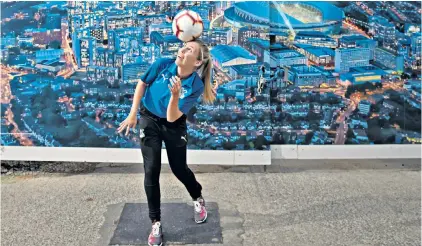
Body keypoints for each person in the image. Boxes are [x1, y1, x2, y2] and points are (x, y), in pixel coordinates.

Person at [117, 39, 216, 246]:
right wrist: (133, 114)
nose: (182, 49)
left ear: (197, 63)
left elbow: (172, 118)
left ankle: (197, 198)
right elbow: (142, 83)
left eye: (189, 49)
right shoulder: (162, 63)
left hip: (173, 123)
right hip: (149, 117)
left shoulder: (195, 86)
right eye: (184, 46)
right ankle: (156, 222)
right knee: (151, 169)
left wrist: (175, 96)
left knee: (179, 168)